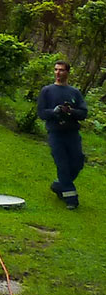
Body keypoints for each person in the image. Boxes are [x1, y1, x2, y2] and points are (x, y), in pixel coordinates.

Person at [37, 59, 88, 209]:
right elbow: (41, 113)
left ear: (67, 72)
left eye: (61, 70)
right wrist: (55, 112)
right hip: (55, 133)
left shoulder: (74, 92)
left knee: (77, 162)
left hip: (72, 133)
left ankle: (59, 185)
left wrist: (70, 111)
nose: (58, 73)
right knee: (62, 165)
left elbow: (83, 112)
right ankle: (71, 197)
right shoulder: (47, 91)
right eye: (56, 70)